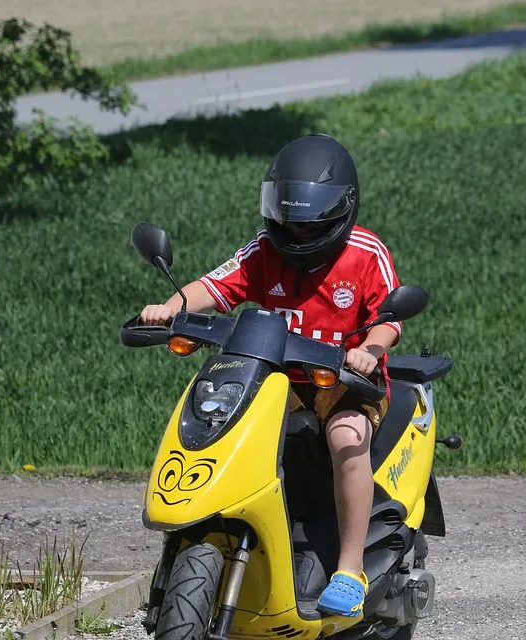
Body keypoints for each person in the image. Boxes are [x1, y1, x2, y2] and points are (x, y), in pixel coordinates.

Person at [138, 133, 401, 618]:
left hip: (344, 381)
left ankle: (348, 569)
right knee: (227, 427)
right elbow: (216, 286)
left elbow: (389, 316)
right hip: (274, 376)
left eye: (310, 222)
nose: (297, 232)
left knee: (346, 435)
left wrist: (369, 348)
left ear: (340, 211)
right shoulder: (264, 249)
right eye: (288, 220)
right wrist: (171, 308)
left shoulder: (366, 253)